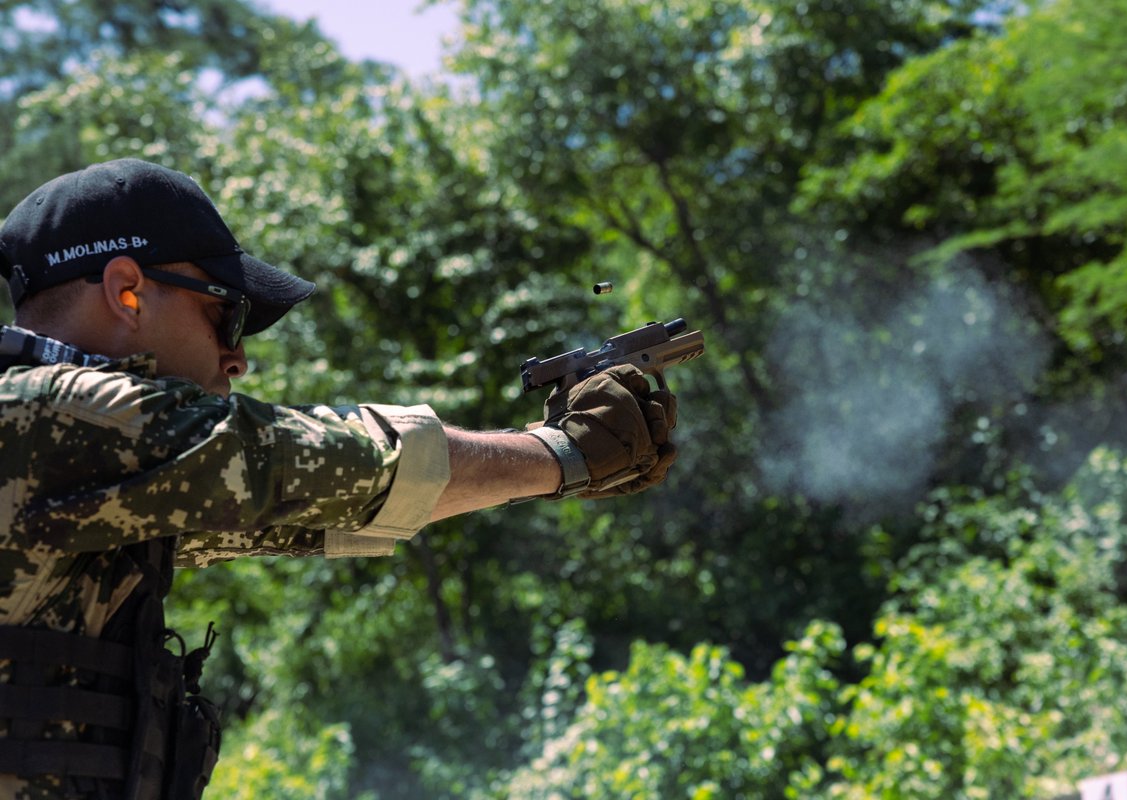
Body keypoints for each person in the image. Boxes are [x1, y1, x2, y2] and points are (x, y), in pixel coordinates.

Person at [0, 158, 679, 799]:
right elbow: (310, 465)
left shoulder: (85, 476)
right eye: (226, 316)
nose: (236, 360)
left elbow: (315, 513)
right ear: (126, 291)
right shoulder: (39, 418)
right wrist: (562, 454)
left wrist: (552, 462)